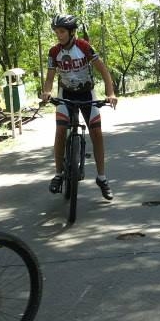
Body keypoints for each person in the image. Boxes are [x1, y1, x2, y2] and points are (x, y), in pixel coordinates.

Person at [40, 15, 118, 201]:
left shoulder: (84, 47)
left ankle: (102, 178)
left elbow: (103, 71)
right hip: (65, 94)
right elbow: (50, 77)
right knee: (60, 131)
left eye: (62, 32)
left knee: (97, 133)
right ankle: (59, 174)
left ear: (71, 32)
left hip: (86, 93)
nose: (58, 35)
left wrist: (111, 93)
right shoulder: (54, 52)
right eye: (56, 32)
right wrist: (47, 92)